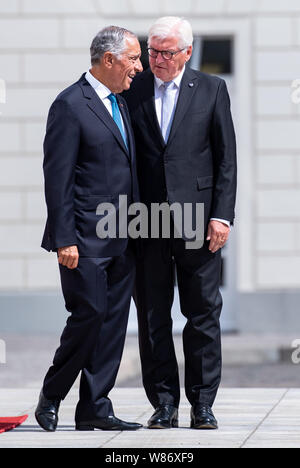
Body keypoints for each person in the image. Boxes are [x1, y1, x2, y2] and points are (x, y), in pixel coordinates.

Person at [123, 16, 237, 430]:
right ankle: (164, 404)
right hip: (145, 220)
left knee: (203, 313)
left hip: (200, 220)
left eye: (166, 52)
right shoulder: (131, 90)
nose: (157, 60)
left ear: (187, 52)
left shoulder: (212, 89)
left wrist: (222, 215)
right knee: (153, 315)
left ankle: (202, 405)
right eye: (152, 51)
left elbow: (226, 158)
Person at [35, 26, 143, 432]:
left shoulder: (122, 103)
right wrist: (64, 238)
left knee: (113, 322)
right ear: (109, 59)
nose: (140, 66)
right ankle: (52, 393)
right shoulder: (70, 105)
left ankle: (95, 406)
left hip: (124, 236)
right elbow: (57, 178)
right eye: (133, 58)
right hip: (83, 239)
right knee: (90, 314)